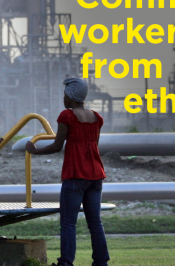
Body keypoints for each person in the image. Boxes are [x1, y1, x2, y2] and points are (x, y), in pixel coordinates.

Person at [25, 78, 109, 266]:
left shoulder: (67, 116)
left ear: (71, 96)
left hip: (75, 174)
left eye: (65, 94)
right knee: (95, 223)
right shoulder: (97, 117)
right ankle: (101, 262)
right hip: (96, 175)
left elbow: (57, 146)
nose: (63, 98)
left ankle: (66, 263)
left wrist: (34, 150)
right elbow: (94, 144)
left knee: (68, 223)